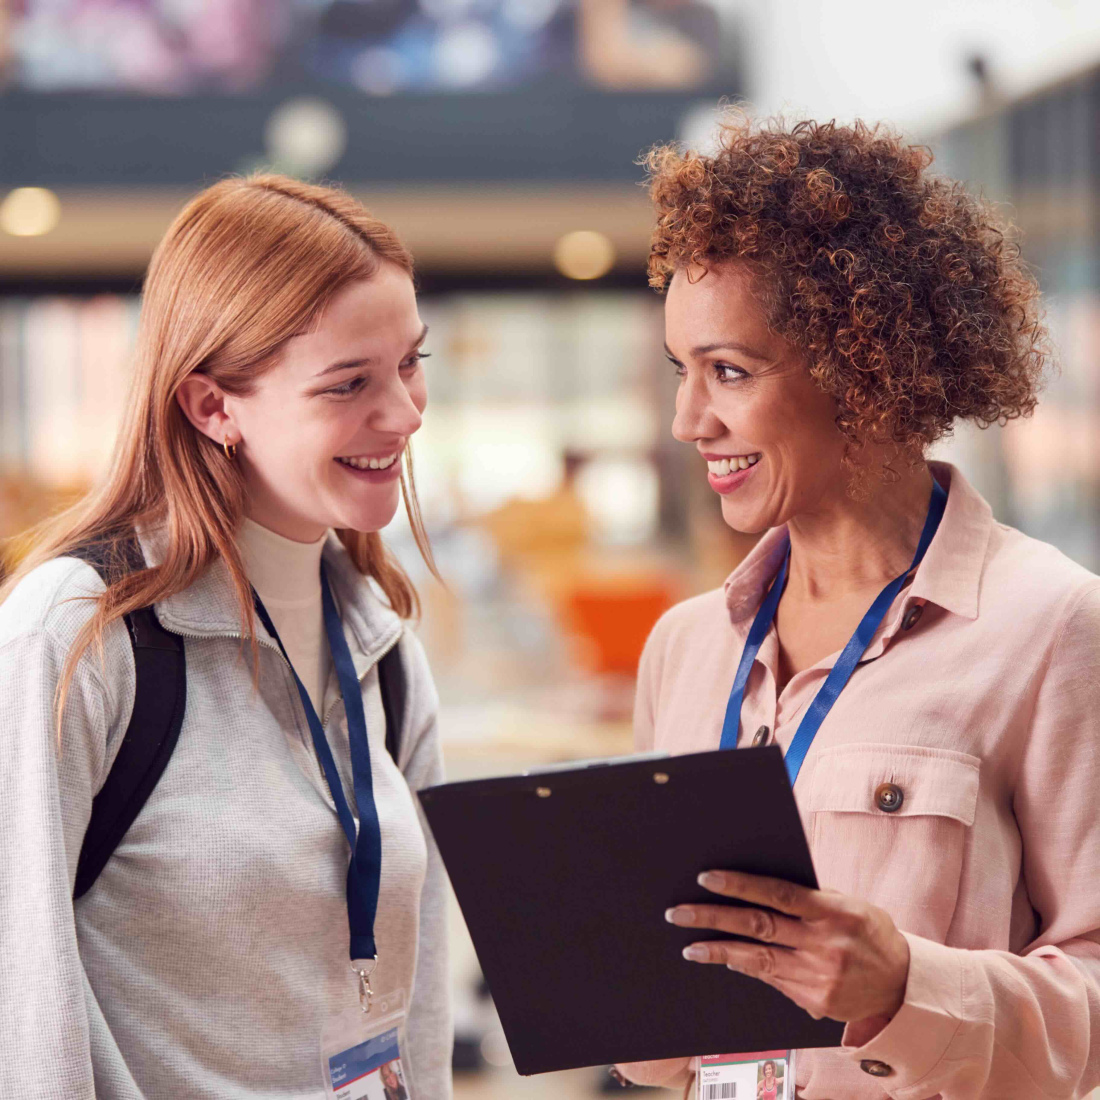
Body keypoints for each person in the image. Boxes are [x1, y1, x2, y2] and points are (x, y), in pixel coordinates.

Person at [614, 116, 1100, 1098]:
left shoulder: (1052, 627)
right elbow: (652, 1040)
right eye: (680, 370)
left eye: (728, 371)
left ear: (866, 368)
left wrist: (904, 988)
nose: (686, 420)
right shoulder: (683, 647)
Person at [0, 174, 452, 1098]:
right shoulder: (79, 635)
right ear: (213, 407)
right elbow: (22, 1019)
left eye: (410, 363)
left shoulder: (382, 647)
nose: (404, 414)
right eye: (348, 384)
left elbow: (424, 1000)